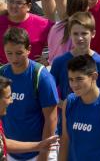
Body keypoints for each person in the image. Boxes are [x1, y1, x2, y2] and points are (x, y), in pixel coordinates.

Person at [0, 27, 59, 161]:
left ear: (29, 49)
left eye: (19, 53)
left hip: (40, 152)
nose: (14, 58)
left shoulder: (41, 76)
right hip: (10, 151)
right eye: (9, 53)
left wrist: (43, 154)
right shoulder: (1, 74)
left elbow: (51, 119)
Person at [0, 0, 53, 64]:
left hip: (31, 74)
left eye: (19, 3)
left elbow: (62, 41)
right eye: (11, 1)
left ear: (29, 6)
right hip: (3, 73)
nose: (14, 5)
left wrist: (49, 60)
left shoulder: (43, 24)